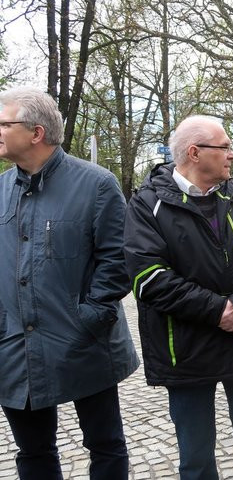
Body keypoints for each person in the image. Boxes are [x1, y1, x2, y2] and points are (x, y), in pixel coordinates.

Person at [123, 116, 233, 480]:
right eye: (224, 147)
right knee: (195, 457)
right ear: (194, 153)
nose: (232, 155)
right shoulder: (147, 205)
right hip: (187, 352)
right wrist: (218, 310)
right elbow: (149, 279)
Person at [0, 87, 139, 479]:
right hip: (14, 347)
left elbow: (119, 260)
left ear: (36, 132)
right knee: (32, 452)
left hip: (83, 342)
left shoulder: (96, 184)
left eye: (4, 123)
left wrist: (89, 317)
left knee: (105, 444)